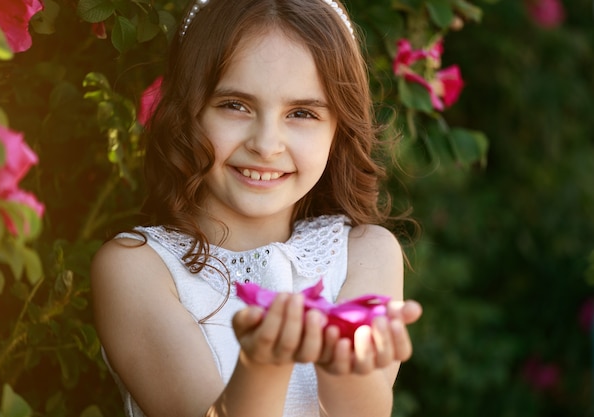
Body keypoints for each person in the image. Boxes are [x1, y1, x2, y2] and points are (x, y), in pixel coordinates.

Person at [91, 0, 423, 416]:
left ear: (339, 129)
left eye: (301, 113)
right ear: (186, 111)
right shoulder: (138, 268)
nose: (266, 145)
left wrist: (346, 360)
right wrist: (264, 360)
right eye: (235, 105)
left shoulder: (364, 254)